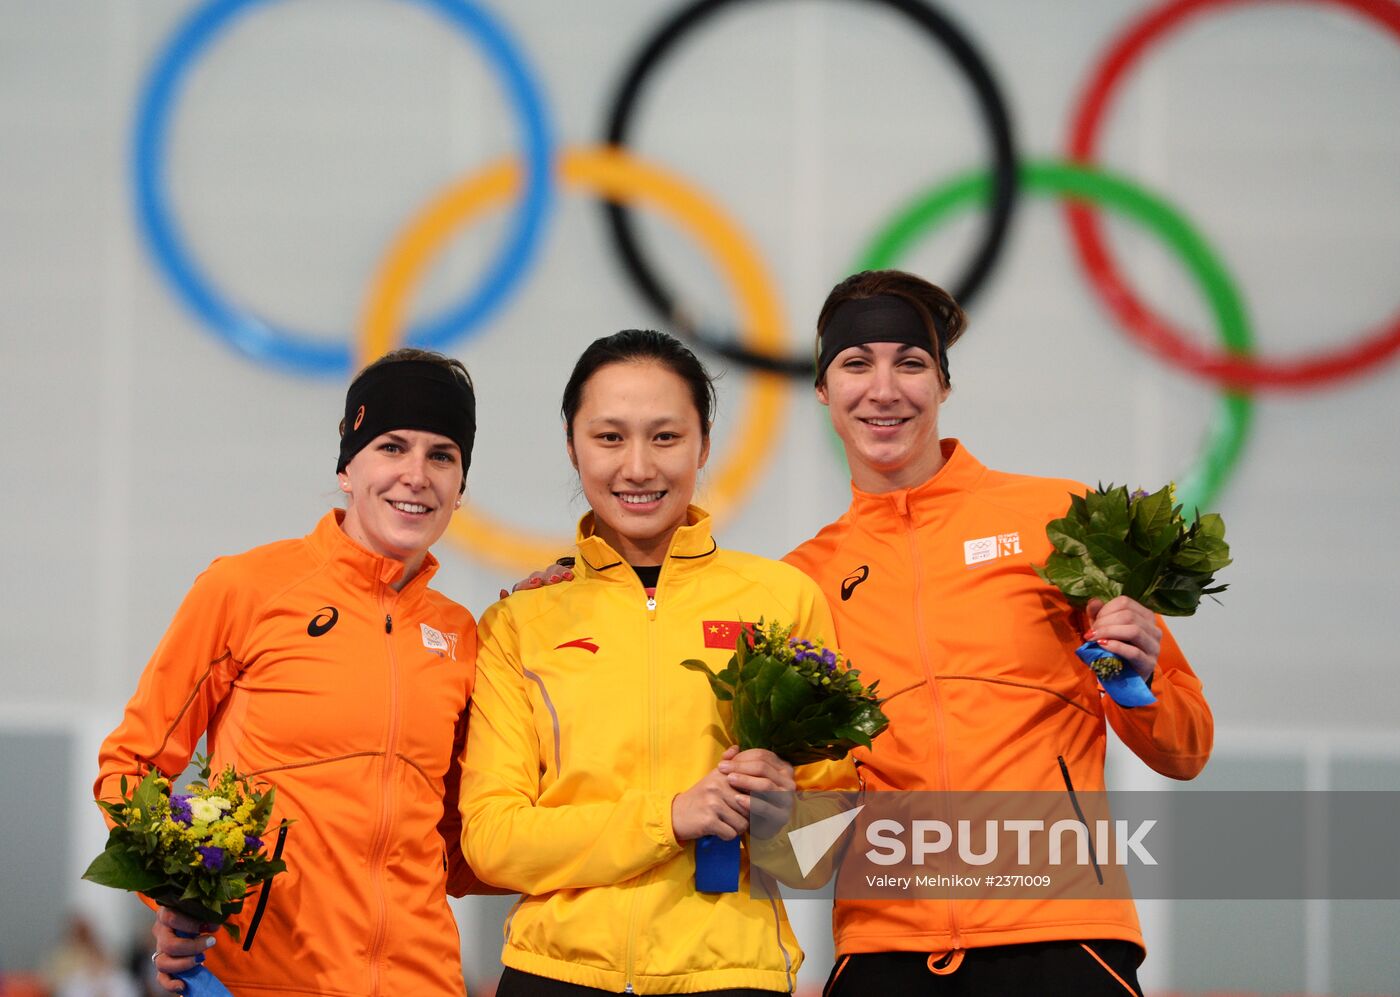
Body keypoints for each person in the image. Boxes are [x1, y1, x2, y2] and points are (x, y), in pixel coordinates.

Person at [784, 270, 1213, 996]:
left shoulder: (1061, 521)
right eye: (856, 364)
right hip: (884, 950)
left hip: (1064, 936)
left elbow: (1186, 745)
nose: (883, 389)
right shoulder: (802, 581)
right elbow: (798, 839)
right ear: (823, 390)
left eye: (910, 363)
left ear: (943, 385)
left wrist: (1129, 675)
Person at [458, 330, 856, 996]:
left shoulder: (780, 600)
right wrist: (669, 816)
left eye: (665, 437)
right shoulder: (520, 622)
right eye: (609, 437)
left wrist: (781, 812)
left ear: (704, 442)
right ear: (571, 444)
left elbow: (819, 857)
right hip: (554, 974)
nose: (637, 467)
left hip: (731, 976)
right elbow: (493, 841)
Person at [94, 349, 483, 996]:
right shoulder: (246, 589)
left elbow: (468, 842)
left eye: (442, 455)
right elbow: (129, 765)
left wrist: (551, 613)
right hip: (260, 978)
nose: (417, 474)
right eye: (392, 446)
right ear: (347, 467)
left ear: (461, 486)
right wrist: (172, 892)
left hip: (423, 980)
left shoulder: (463, 635)